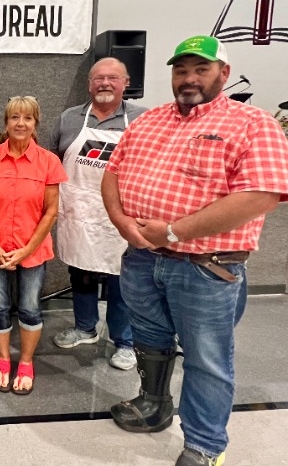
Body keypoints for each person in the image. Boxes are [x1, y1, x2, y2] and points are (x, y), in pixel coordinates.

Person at [101, 35, 288, 466]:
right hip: (143, 259)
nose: (188, 79)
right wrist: (120, 219)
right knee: (149, 339)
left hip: (206, 267)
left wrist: (174, 231)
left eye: (200, 69)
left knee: (206, 358)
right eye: (181, 70)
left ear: (223, 73)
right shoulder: (147, 121)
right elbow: (112, 173)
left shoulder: (253, 123)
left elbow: (260, 195)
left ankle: (204, 446)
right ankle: (153, 406)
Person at [50, 58, 146, 370]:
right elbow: (52, 161)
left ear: (125, 82)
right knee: (81, 273)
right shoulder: (69, 118)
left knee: (122, 280)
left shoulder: (142, 120)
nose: (105, 84)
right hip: (79, 214)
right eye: (98, 78)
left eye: (112, 78)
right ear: (89, 84)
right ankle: (85, 327)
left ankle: (126, 341)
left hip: (121, 216)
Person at [0, 96, 67, 395]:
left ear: (36, 123)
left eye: (27, 118)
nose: (20, 123)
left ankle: (25, 362)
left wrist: (26, 249)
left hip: (33, 248)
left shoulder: (49, 162)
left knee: (29, 308)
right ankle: (3, 359)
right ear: (6, 122)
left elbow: (51, 211)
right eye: (15, 117)